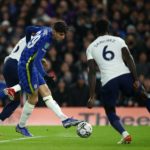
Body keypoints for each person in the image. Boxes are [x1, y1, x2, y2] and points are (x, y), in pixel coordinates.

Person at [3, 21, 81, 136]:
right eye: (61, 34)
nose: (63, 37)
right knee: (33, 98)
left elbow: (29, 28)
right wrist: (45, 75)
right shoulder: (47, 40)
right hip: (26, 66)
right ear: (54, 31)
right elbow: (37, 60)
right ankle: (21, 126)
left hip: (30, 65)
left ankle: (64, 119)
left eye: (64, 34)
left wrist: (29, 43)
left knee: (46, 92)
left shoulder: (44, 29)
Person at [86, 19, 150, 144]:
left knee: (110, 111)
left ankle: (125, 134)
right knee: (144, 97)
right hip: (125, 76)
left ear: (95, 31)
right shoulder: (119, 40)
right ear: (108, 29)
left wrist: (92, 96)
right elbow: (129, 59)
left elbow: (92, 72)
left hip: (108, 81)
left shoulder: (91, 47)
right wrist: (136, 79)